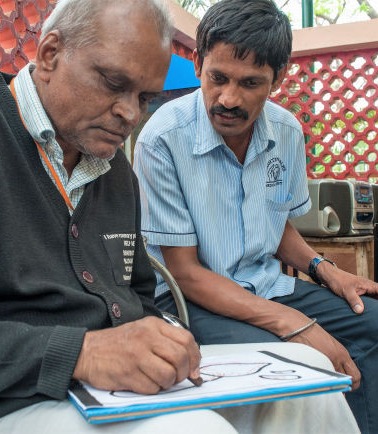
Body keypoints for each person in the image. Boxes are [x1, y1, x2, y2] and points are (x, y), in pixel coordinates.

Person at [133, 0, 378, 433]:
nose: (229, 98)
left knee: (372, 327)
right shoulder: (162, 139)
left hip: (268, 286)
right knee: (299, 360)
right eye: (218, 78)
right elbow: (185, 274)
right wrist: (295, 325)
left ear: (277, 80)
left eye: (250, 83)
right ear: (197, 64)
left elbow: (275, 222)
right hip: (189, 301)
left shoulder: (286, 133)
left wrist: (326, 271)